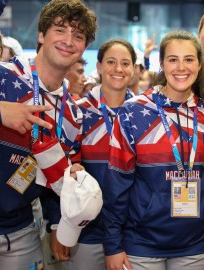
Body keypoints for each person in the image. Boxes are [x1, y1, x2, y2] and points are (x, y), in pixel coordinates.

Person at [0, 0, 97, 269]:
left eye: (78, 35)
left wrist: (58, 224)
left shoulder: (73, 116)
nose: (68, 40)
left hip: (22, 232)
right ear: (41, 34)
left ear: (84, 48)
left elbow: (56, 184)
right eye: (60, 30)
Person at [103, 30, 204, 270]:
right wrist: (113, 243)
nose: (181, 67)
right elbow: (117, 181)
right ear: (161, 64)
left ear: (199, 64)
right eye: (173, 59)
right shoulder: (132, 111)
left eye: (189, 59)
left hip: (194, 244)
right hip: (142, 243)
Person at [61, 38, 136, 270]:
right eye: (111, 62)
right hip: (86, 230)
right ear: (99, 66)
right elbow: (61, 172)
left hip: (132, 230)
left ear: (133, 68)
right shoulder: (77, 111)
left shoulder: (144, 113)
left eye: (125, 63)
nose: (118, 69)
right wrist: (57, 223)